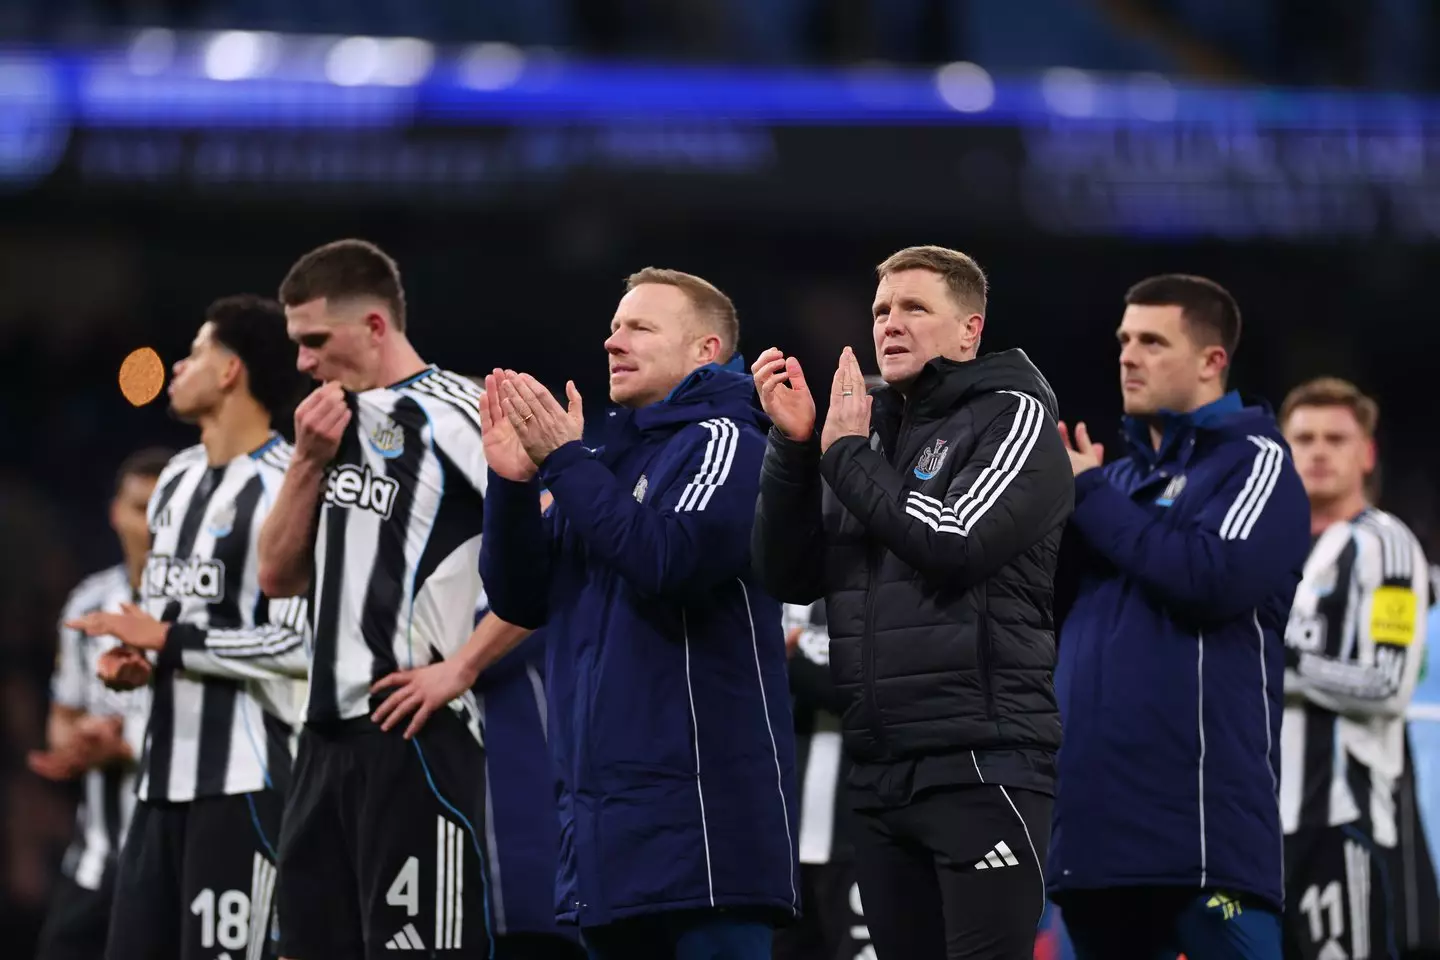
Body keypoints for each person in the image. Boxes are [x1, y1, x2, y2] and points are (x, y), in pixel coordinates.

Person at [752, 245, 1074, 960]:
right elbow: (788, 573)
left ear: (969, 331)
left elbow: (955, 540)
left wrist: (843, 455)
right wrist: (796, 450)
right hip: (879, 772)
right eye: (881, 311)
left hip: (982, 762)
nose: (890, 324)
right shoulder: (862, 428)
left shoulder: (1012, 418)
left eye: (915, 308)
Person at [479, 267, 799, 959]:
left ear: (704, 350)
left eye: (639, 327)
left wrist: (563, 461)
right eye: (614, 326)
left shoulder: (730, 439)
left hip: (705, 836)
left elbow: (671, 559)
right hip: (605, 838)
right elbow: (521, 599)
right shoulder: (603, 461)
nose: (612, 340)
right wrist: (511, 484)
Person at [256, 239, 531, 960]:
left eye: (315, 340)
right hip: (319, 740)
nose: (303, 362)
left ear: (376, 326)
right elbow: (277, 576)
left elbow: (558, 547)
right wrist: (305, 463)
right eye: (296, 344)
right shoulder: (326, 427)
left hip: (415, 737)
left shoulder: (460, 408)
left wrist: (463, 666)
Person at [1047, 274, 1311, 959]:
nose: (1128, 356)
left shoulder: (1256, 463)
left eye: (1153, 342)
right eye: (1125, 340)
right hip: (1094, 847)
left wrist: (1089, 494)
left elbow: (1211, 578)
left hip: (1203, 853)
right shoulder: (1120, 483)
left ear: (1211, 361)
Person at [65, 296, 312, 960]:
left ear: (231, 370)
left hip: (245, 785)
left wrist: (170, 644)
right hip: (158, 787)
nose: (179, 365)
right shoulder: (174, 480)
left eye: (197, 351)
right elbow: (174, 623)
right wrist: (138, 663)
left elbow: (300, 644)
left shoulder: (291, 483)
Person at [1277, 377, 1431, 960]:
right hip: (1259, 827)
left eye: (1336, 438)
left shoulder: (1385, 545)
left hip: (1344, 822)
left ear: (1366, 454)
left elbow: (1388, 684)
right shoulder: (1265, 548)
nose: (1318, 451)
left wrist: (1282, 664)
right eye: (1304, 438)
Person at [30, 447, 170, 960]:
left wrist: (125, 746)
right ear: (114, 512)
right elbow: (62, 722)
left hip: (175, 862)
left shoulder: (204, 612)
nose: (151, 527)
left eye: (163, 511)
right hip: (95, 863)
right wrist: (78, 744)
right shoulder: (88, 604)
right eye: (139, 509)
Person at [772, 600, 871, 960]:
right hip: (776, 842)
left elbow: (871, 683)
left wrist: (787, 653)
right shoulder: (760, 580)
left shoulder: (873, 577)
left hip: (853, 833)